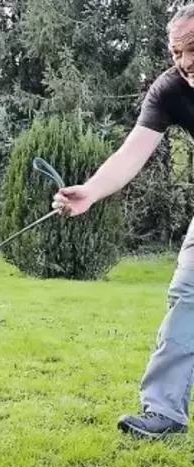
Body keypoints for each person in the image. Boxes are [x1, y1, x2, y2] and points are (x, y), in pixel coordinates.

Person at [52, 4, 194, 440]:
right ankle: (164, 413)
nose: (185, 63)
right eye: (177, 52)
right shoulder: (170, 90)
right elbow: (133, 151)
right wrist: (91, 191)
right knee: (186, 296)